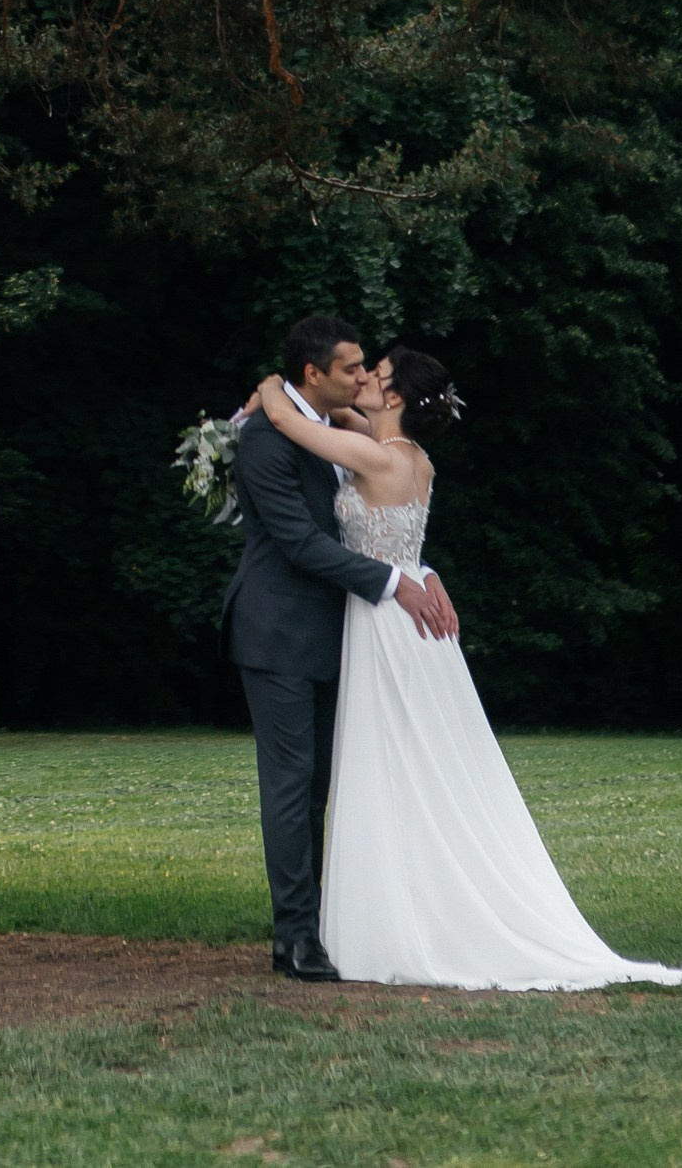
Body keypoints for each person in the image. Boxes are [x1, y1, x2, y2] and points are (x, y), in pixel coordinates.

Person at [250, 347, 682, 991]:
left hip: (386, 621)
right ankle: (399, 906)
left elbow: (292, 423)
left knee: (389, 758)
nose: (364, 382)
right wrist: (425, 569)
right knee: (409, 760)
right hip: (407, 610)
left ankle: (395, 919)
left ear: (396, 396)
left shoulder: (376, 457)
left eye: (376, 376)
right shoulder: (414, 458)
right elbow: (354, 433)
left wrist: (270, 387)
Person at [222, 314, 461, 981]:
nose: (361, 376)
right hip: (278, 632)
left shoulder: (341, 432)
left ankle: (330, 924)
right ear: (313, 373)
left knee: (327, 785)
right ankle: (295, 938)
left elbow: (377, 524)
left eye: (368, 369)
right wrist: (396, 582)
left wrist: (417, 570)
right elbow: (300, 543)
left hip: (346, 635)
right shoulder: (266, 440)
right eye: (352, 367)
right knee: (291, 784)